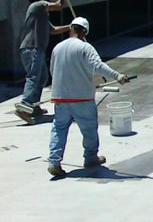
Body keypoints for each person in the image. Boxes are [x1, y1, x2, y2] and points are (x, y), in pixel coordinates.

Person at [46, 17, 129, 177]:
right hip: (81, 98)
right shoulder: (85, 47)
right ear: (84, 31)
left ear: (71, 28)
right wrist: (117, 75)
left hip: (60, 97)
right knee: (89, 129)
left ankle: (54, 162)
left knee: (59, 129)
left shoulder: (57, 47)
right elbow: (97, 66)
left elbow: (52, 70)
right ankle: (90, 157)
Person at [15, 0, 72, 122]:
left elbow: (53, 30)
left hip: (35, 49)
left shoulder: (41, 16)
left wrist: (70, 27)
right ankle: (24, 106)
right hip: (32, 48)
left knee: (42, 78)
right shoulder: (38, 5)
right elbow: (59, 5)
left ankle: (34, 107)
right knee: (34, 76)